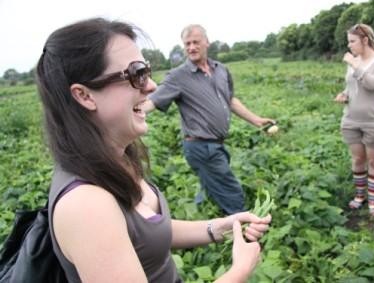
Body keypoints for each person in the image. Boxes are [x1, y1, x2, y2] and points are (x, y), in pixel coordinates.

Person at [36, 17, 271, 282]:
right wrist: (240, 270)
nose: (150, 85)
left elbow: (148, 231)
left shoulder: (116, 158)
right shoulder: (86, 206)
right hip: (201, 146)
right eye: (136, 74)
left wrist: (216, 228)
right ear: (85, 95)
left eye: (145, 70)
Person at [142, 24, 275, 215]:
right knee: (232, 193)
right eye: (187, 44)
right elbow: (152, 101)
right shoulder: (178, 76)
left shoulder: (221, 70)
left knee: (213, 184)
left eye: (196, 42)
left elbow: (230, 100)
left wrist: (256, 120)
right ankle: (243, 228)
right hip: (201, 146)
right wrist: (129, 114)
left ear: (207, 42)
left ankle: (205, 210)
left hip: (217, 144)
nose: (191, 47)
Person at [334, 23, 374, 217]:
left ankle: (373, 200)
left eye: (352, 41)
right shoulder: (356, 61)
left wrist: (355, 65)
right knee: (358, 159)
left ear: (365, 40)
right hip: (351, 119)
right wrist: (344, 95)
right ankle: (360, 196)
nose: (349, 45)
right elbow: (351, 87)